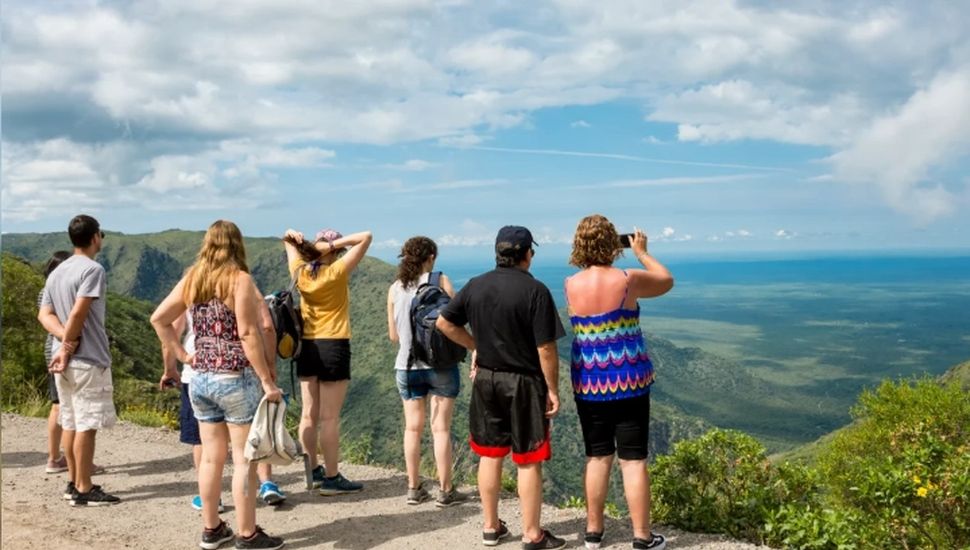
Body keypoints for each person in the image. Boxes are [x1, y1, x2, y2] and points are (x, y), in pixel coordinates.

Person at [151, 220, 284, 550]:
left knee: (210, 457)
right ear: (237, 244)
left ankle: (211, 529)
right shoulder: (238, 280)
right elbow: (249, 333)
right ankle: (247, 534)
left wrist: (183, 354)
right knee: (243, 460)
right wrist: (267, 380)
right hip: (234, 377)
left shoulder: (193, 278)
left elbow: (159, 318)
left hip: (200, 379)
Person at [436, 226, 568, 550]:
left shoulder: (476, 286)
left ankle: (491, 527)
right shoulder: (535, 291)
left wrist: (475, 346)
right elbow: (546, 349)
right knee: (527, 459)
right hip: (523, 382)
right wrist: (553, 389)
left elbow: (444, 322)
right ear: (526, 255)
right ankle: (533, 534)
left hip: (485, 380)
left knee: (490, 455)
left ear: (497, 253)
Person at [564, 215, 673, 550]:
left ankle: (594, 533)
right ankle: (642, 536)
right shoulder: (629, 279)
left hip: (589, 381)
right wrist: (641, 252)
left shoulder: (571, 284)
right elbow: (666, 280)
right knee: (633, 459)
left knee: (597, 456)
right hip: (629, 381)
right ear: (613, 244)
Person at [160, 311, 286, 511]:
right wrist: (268, 368)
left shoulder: (190, 286)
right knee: (252, 438)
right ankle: (266, 484)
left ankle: (210, 501)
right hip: (240, 372)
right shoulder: (241, 284)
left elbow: (170, 327)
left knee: (204, 443)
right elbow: (266, 326)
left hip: (197, 374)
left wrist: (172, 367)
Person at [282, 227, 371, 496]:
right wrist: (333, 246)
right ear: (334, 251)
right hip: (334, 345)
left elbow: (286, 240)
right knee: (329, 418)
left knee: (308, 415)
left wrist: (302, 241)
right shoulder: (337, 271)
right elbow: (366, 237)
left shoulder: (299, 271)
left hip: (306, 346)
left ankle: (313, 472)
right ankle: (332, 477)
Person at [39, 215, 120, 507]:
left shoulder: (57, 273)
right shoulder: (93, 269)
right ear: (95, 236)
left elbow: (44, 314)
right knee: (86, 425)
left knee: (70, 421)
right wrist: (69, 344)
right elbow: (79, 312)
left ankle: (73, 483)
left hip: (65, 362)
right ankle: (84, 488)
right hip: (88, 359)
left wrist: (63, 343)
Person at [386, 236, 466, 507]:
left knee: (412, 429)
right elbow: (453, 324)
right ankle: (445, 491)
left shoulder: (394, 288)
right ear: (431, 257)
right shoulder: (441, 281)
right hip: (440, 366)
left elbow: (393, 336)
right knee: (440, 429)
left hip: (405, 367)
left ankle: (414, 488)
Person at [38, 250, 73, 474]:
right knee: (69, 408)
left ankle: (54, 458)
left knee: (57, 405)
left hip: (52, 350)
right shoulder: (62, 292)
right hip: (64, 351)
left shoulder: (45, 292)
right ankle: (78, 463)